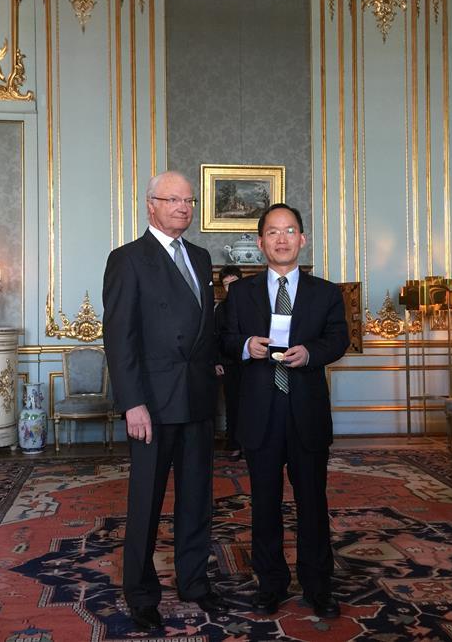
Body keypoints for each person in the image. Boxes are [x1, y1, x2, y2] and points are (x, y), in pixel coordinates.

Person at [102, 171, 226, 632]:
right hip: (151, 404)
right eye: (172, 199)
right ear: (150, 204)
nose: (183, 207)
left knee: (197, 500)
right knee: (146, 503)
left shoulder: (200, 256)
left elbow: (205, 329)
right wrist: (132, 403)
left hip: (197, 398)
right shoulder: (127, 259)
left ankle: (194, 582)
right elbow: (119, 338)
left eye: (188, 200)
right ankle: (140, 594)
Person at [222, 203, 349, 619]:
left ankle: (318, 585)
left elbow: (338, 339)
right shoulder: (240, 293)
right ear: (261, 242)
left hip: (306, 413)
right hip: (260, 413)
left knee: (313, 503)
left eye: (289, 231)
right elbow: (223, 339)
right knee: (264, 504)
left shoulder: (326, 292)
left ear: (302, 239)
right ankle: (270, 584)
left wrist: (311, 353)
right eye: (273, 232)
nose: (282, 239)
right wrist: (246, 346)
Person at [214, 265, 243, 461]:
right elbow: (215, 337)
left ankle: (252, 445)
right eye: (226, 284)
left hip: (252, 363)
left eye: (234, 283)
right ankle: (233, 443)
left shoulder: (253, 304)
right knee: (233, 405)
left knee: (254, 405)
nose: (230, 287)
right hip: (229, 364)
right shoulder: (220, 309)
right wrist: (216, 361)